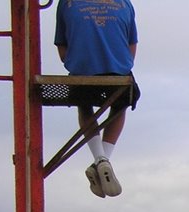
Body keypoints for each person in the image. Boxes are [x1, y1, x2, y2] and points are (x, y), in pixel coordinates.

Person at [55, 0, 139, 198]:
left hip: (81, 70)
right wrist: (121, 66)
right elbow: (131, 45)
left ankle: (100, 158)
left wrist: (77, 63)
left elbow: (62, 48)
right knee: (120, 105)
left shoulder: (66, 3)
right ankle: (103, 160)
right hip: (119, 72)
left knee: (84, 106)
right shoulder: (124, 3)